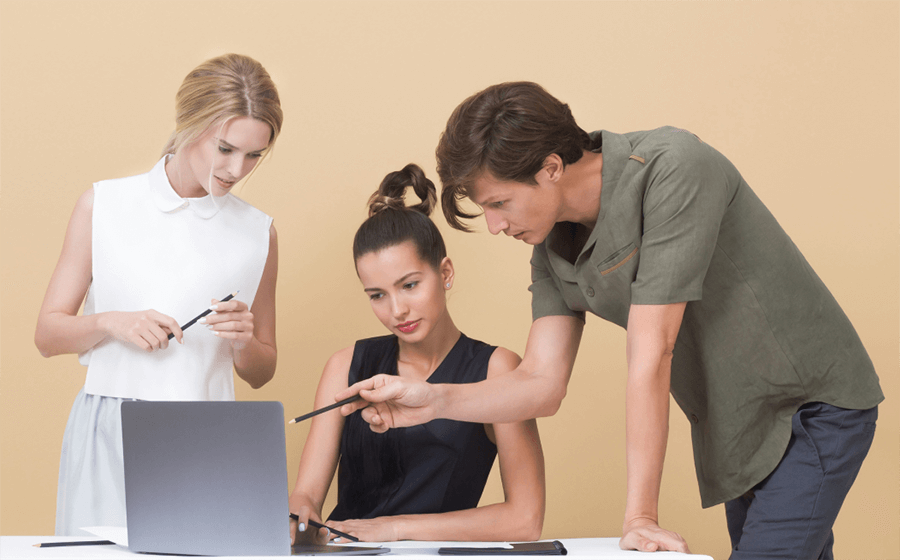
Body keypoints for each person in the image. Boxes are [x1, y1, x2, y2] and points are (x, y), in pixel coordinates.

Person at [337, 83, 884, 558]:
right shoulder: (550, 244)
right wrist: (431, 400)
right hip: (736, 428)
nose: (496, 226)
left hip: (809, 406)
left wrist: (639, 517)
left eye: (500, 203)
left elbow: (652, 352)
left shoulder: (674, 169)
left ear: (551, 167)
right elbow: (541, 384)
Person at [34, 53, 283, 536]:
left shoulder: (258, 233)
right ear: (190, 124)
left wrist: (243, 341)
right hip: (109, 427)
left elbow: (262, 371)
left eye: (255, 155)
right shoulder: (104, 205)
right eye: (226, 148)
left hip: (208, 435)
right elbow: (47, 335)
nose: (237, 169)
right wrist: (110, 322)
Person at [289, 164, 545, 544]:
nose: (397, 310)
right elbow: (305, 496)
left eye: (409, 285)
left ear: (445, 273)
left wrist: (394, 529)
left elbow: (525, 519)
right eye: (377, 295)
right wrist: (300, 516)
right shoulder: (345, 366)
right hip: (344, 553)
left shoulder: (497, 370)